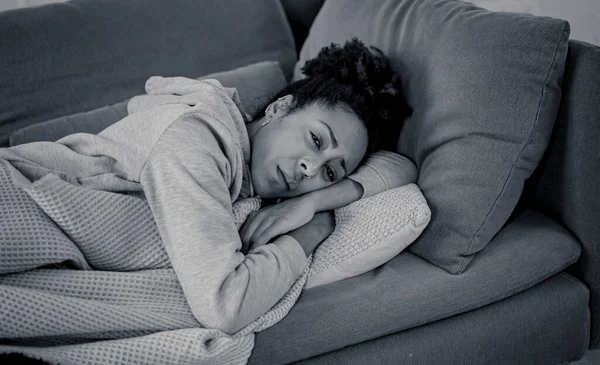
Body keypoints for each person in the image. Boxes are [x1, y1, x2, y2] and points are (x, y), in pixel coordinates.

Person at [0, 39, 416, 334]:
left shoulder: (255, 175)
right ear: (280, 108)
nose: (310, 169)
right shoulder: (196, 139)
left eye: (330, 171)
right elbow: (225, 304)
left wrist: (316, 202)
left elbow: (401, 168)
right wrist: (310, 232)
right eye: (315, 140)